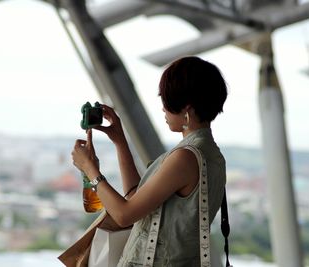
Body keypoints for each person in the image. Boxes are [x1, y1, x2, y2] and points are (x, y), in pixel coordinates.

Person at [71, 56, 228, 266]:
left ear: (187, 109)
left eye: (167, 100)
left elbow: (124, 215)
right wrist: (120, 142)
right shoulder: (211, 154)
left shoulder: (185, 157)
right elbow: (137, 200)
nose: (163, 108)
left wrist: (89, 169)